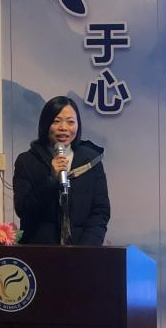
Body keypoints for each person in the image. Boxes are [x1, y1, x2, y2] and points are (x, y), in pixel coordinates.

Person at [13, 96, 110, 245]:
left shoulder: (91, 161)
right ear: (45, 124)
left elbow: (100, 211)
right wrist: (51, 180)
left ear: (78, 125)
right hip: (40, 250)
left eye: (70, 122)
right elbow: (23, 210)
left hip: (84, 250)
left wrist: (87, 249)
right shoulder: (26, 161)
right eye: (56, 121)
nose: (63, 128)